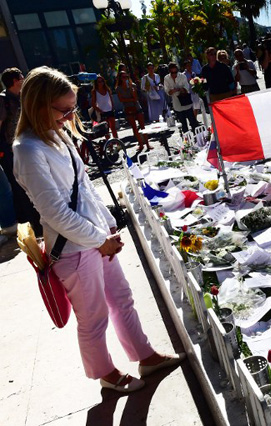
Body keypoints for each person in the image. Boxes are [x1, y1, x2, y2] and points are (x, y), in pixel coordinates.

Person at [12, 66, 184, 393]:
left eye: (72, 108)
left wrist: (107, 225)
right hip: (73, 250)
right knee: (93, 318)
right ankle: (104, 372)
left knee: (122, 299)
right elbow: (55, 212)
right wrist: (99, 239)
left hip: (94, 240)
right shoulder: (28, 149)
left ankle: (144, 355)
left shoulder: (57, 134)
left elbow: (84, 188)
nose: (69, 116)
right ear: (38, 105)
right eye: (64, 109)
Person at [0, 67, 38, 236]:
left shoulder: (21, 97)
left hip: (25, 146)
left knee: (30, 182)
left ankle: (35, 219)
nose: (24, 79)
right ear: (16, 80)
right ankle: (28, 222)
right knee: (18, 186)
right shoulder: (3, 100)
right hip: (9, 150)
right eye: (22, 76)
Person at [115, 70, 151, 153]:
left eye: (126, 77)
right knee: (134, 127)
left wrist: (131, 90)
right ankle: (141, 144)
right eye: (123, 77)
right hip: (128, 108)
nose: (125, 79)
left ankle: (147, 144)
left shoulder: (133, 85)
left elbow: (135, 98)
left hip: (136, 106)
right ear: (120, 78)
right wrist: (130, 99)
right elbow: (121, 99)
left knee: (142, 126)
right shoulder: (118, 88)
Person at [164, 62, 199, 133]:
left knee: (193, 123)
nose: (174, 74)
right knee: (183, 126)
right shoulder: (166, 78)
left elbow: (187, 88)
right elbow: (167, 91)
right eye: (172, 72)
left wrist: (181, 89)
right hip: (177, 104)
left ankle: (197, 138)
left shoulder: (182, 76)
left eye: (175, 72)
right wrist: (173, 90)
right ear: (169, 72)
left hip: (186, 103)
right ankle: (187, 141)